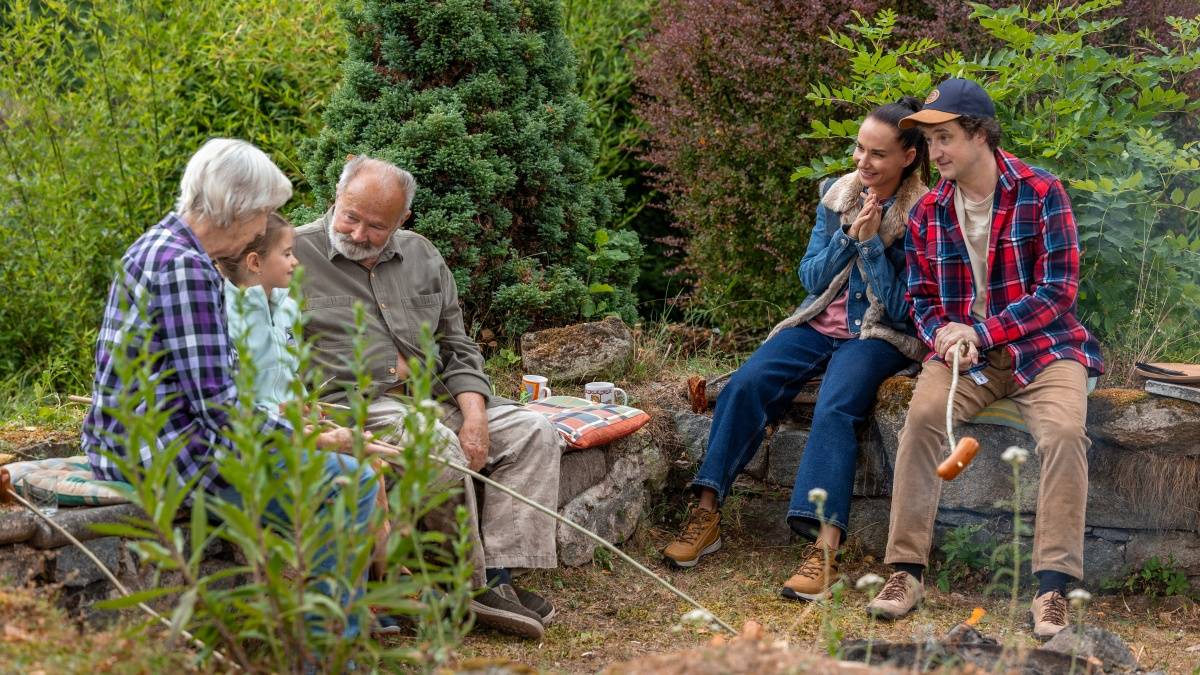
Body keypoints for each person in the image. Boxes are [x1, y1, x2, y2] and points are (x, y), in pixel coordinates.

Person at [82, 138, 378, 639]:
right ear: (234, 209)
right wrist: (309, 439)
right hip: (162, 451)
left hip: (131, 439)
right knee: (350, 485)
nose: (263, 227)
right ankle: (327, 650)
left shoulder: (158, 242)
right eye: (262, 213)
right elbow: (217, 407)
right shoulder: (187, 268)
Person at [661, 99, 932, 601]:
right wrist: (849, 237)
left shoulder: (925, 213)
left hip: (877, 336)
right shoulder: (836, 194)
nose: (863, 161)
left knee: (835, 406)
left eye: (878, 154)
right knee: (744, 384)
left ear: (909, 157)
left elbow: (904, 310)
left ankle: (825, 549)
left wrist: (873, 246)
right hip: (818, 324)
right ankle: (706, 513)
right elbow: (810, 278)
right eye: (859, 148)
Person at [864, 79, 1104, 640]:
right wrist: (945, 338)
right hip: (964, 357)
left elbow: (1059, 291)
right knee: (922, 420)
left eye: (944, 137)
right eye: (929, 141)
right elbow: (921, 300)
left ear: (980, 134)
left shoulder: (1041, 192)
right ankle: (905, 573)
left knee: (1065, 435)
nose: (935, 152)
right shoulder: (929, 211)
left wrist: (982, 329)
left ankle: (1052, 589)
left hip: (1044, 350)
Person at [294, 155, 564, 641]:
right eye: (350, 217)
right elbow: (271, 350)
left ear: (402, 220)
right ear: (336, 196)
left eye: (377, 226)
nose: (358, 234)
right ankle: (461, 585)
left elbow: (458, 346)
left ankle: (498, 576)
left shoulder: (421, 255)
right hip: (357, 406)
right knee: (435, 444)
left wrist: (475, 417)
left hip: (435, 397)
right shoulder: (292, 253)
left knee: (534, 431)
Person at [216, 212, 394, 581]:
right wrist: (312, 433)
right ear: (255, 263)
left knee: (375, 465)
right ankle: (368, 583)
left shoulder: (283, 304)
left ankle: (380, 576)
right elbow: (235, 400)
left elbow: (286, 372)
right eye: (286, 254)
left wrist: (301, 403)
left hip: (285, 422)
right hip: (258, 438)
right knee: (357, 474)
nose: (296, 262)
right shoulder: (227, 316)